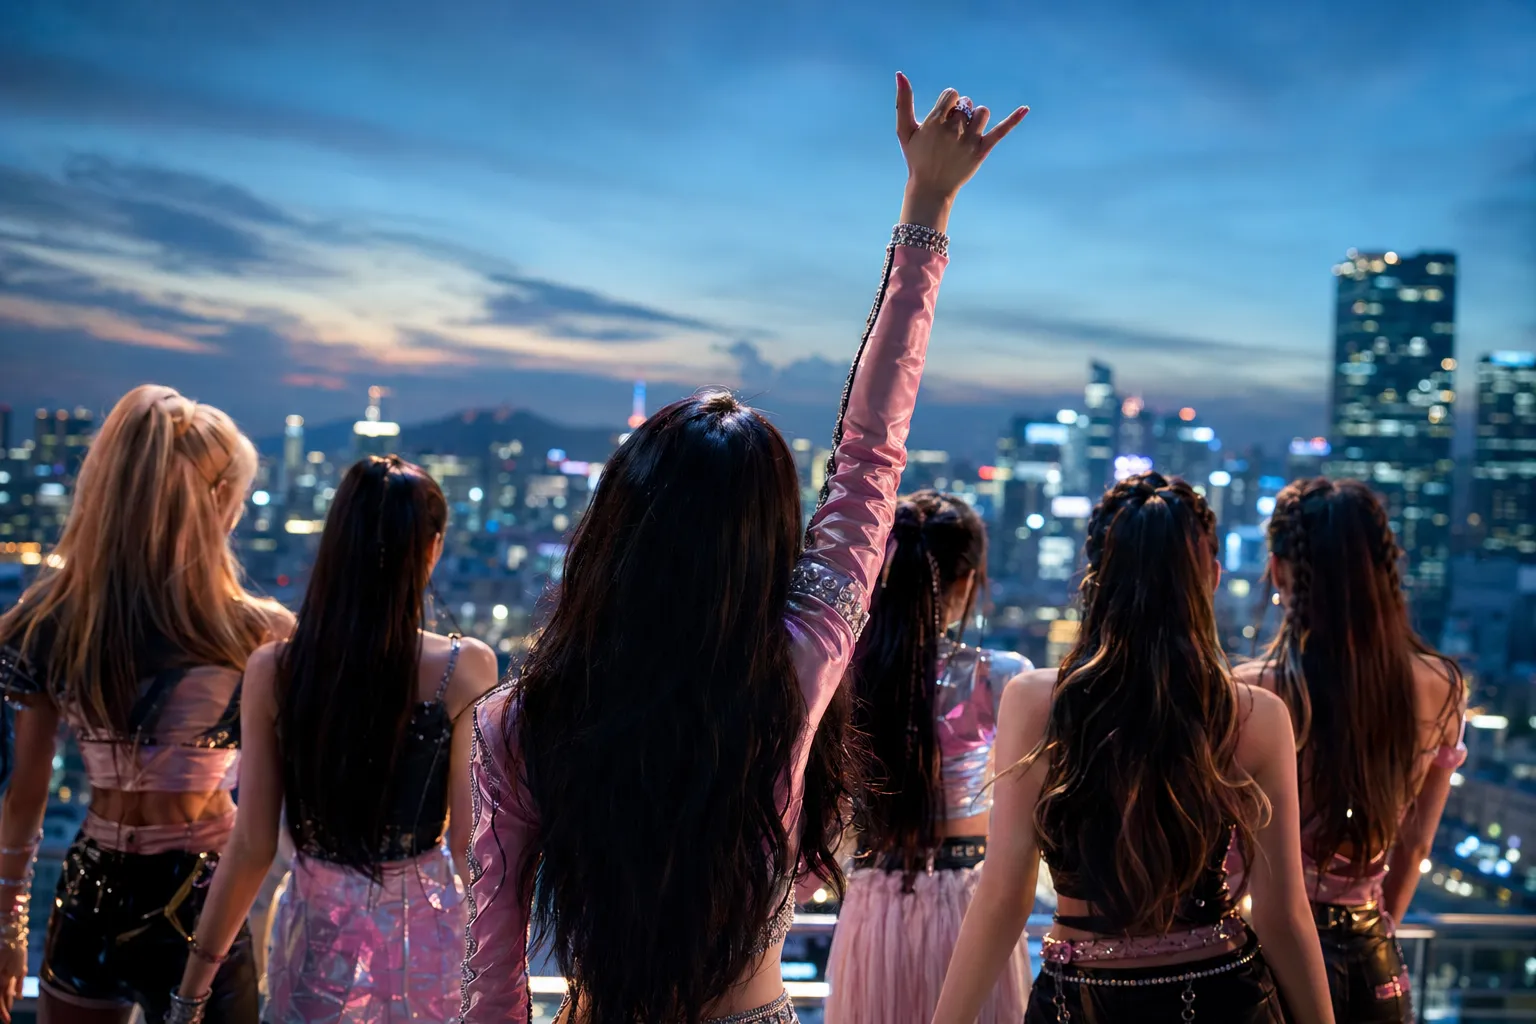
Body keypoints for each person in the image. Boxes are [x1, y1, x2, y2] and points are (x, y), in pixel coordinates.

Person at [459, 75, 1030, 1024]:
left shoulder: (520, 719)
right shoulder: (796, 662)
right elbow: (869, 455)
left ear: (613, 532)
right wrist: (926, 209)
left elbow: (491, 975)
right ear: (769, 539)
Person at [933, 473, 1334, 1024]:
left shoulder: (1034, 702)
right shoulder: (1255, 714)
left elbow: (1004, 897)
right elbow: (1283, 914)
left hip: (1082, 1000)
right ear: (1212, 578)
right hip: (1222, 995)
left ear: (1095, 581)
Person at [170, 455, 499, 1024]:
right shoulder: (464, 668)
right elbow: (474, 847)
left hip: (314, 936)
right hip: (423, 941)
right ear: (432, 548)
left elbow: (251, 847)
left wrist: (190, 994)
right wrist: (500, 982)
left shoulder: (275, 670)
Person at [0, 385, 291, 1024]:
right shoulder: (261, 634)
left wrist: (8, 928)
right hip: (205, 900)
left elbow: (25, 796)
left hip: (90, 891)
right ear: (214, 500)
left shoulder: (52, 620)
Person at [1232, 477, 1464, 1022]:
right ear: (1383, 571)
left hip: (1263, 964)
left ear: (1280, 570)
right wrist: (1372, 932)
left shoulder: (1250, 692)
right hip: (1371, 963)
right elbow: (1414, 846)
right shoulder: (1441, 685)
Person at [825, 490, 1031, 1023]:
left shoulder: (846, 678)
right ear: (968, 582)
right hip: (970, 908)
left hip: (871, 907)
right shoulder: (1001, 678)